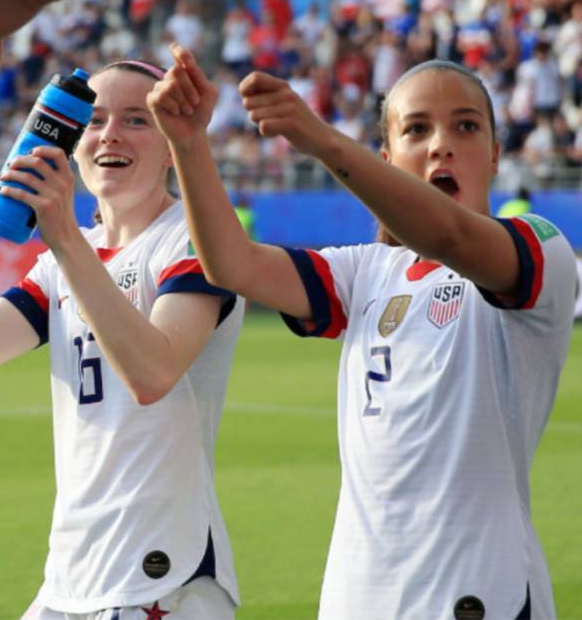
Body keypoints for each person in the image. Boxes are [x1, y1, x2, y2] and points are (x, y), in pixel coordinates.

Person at [153, 45, 574, 619]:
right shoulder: (365, 271)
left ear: (496, 155)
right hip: (359, 593)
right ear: (388, 156)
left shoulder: (540, 249)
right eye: (416, 129)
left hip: (479, 590)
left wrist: (321, 140)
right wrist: (187, 143)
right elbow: (232, 265)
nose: (441, 143)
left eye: (466, 126)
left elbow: (451, 236)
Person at [0, 60, 244, 619]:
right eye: (94, 120)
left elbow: (153, 373)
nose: (110, 135)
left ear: (173, 145)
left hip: (160, 576)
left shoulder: (197, 241)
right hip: (69, 576)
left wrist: (65, 239)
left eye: (136, 120)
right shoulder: (64, 262)